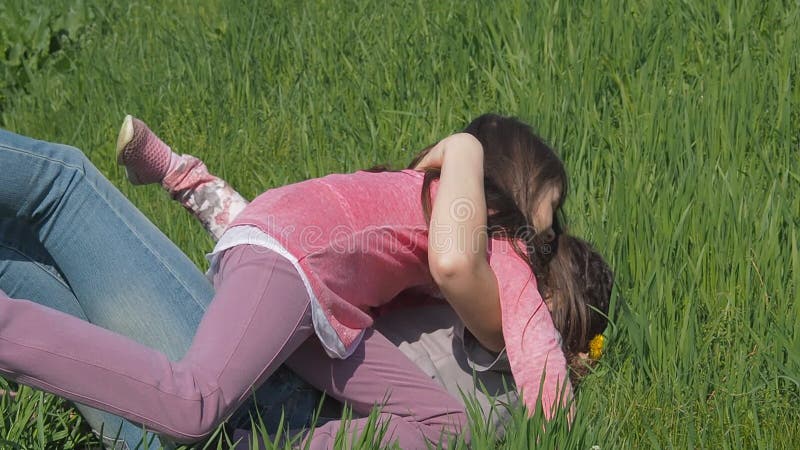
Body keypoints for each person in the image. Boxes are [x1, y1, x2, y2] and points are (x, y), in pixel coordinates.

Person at [0, 113, 608, 448]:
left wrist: (465, 149)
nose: (532, 242)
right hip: (262, 378)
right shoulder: (467, 283)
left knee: (52, 209)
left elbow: (313, 271)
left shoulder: (502, 310)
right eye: (538, 226)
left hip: (255, 400)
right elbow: (315, 273)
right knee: (45, 219)